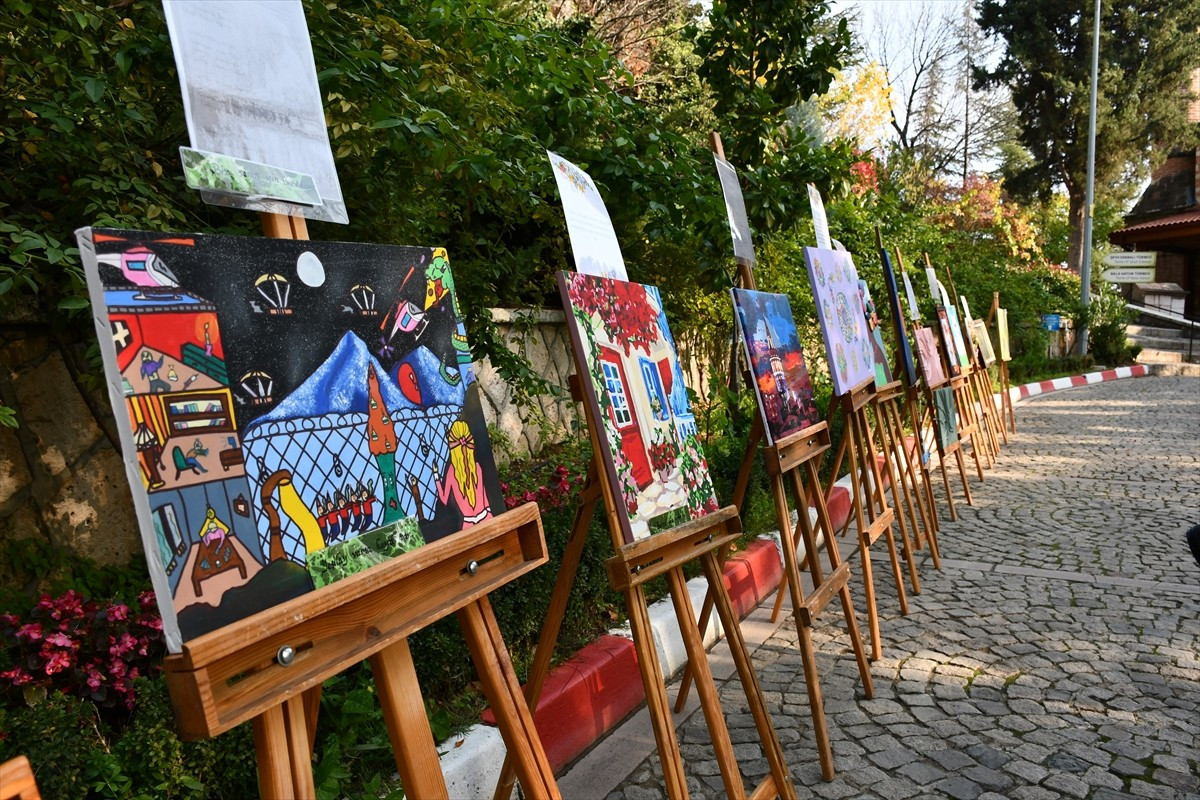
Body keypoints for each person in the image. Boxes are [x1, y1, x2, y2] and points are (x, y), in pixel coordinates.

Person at [436, 420, 492, 527]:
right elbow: (485, 498)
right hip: (487, 517)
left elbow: (444, 499)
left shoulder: (452, 472)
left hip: (468, 524)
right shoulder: (477, 467)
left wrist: (436, 477)